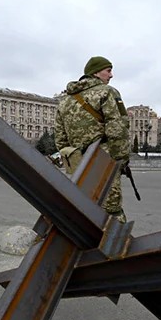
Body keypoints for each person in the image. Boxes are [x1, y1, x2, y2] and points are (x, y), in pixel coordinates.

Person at [54, 56, 130, 223]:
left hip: (79, 164)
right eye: (108, 71)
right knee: (111, 210)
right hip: (104, 159)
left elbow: (60, 139)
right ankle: (113, 246)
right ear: (96, 72)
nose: (111, 75)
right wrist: (121, 160)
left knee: (85, 207)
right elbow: (117, 130)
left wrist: (74, 159)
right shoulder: (107, 92)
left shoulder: (65, 101)